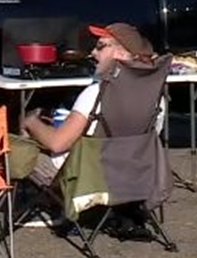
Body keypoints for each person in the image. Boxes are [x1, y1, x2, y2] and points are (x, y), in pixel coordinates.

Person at [18, 22, 162, 186]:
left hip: (82, 178)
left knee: (14, 150)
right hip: (133, 176)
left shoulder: (96, 94)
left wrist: (30, 121)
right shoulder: (155, 95)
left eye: (101, 46)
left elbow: (57, 144)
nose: (93, 52)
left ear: (121, 54)